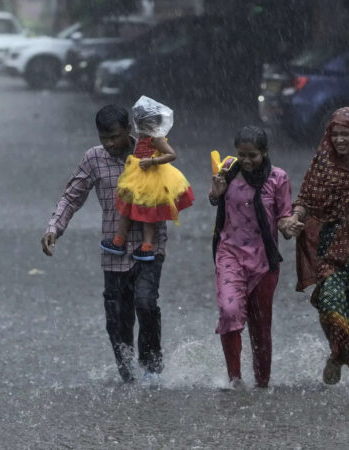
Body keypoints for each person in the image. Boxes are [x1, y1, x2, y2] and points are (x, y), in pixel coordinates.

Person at [41, 105, 166, 383]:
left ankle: (152, 368)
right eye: (103, 138)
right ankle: (127, 373)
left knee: (146, 303)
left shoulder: (150, 151)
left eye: (114, 137)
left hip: (149, 244)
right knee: (117, 316)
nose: (109, 144)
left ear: (129, 131)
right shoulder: (93, 159)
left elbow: (172, 186)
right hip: (115, 248)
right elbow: (72, 197)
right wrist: (54, 228)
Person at [280, 107, 349, 390]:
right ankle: (339, 353)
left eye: (346, 134)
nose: (340, 140)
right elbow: (305, 199)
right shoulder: (324, 163)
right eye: (335, 134)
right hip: (332, 247)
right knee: (330, 305)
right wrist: (294, 219)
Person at [209, 125, 295, 389]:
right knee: (229, 311)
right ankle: (235, 380)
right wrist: (217, 191)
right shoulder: (227, 170)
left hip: (263, 261)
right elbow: (214, 200)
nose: (246, 161)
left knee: (260, 326)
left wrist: (289, 225)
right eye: (241, 154)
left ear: (265, 153)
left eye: (253, 155)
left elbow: (284, 216)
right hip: (230, 253)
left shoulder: (278, 178)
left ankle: (262, 383)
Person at [100, 96, 194, 261]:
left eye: (145, 124)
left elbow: (172, 155)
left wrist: (153, 161)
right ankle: (119, 240)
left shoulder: (155, 138)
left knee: (148, 215)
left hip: (150, 179)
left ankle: (147, 246)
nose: (140, 128)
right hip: (136, 177)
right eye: (140, 124)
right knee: (126, 209)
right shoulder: (142, 137)